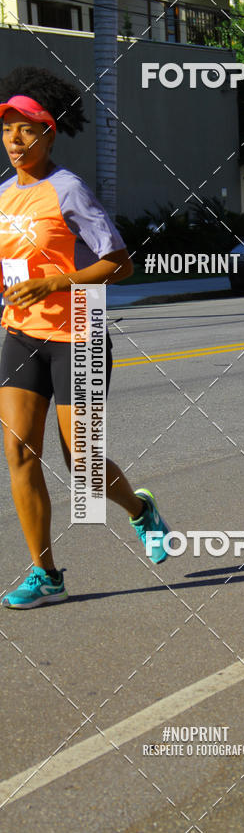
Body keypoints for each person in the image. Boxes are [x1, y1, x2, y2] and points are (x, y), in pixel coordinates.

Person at [0, 66, 170, 609]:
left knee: (83, 465)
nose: (15, 140)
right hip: (21, 336)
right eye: (7, 129)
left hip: (77, 335)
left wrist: (58, 279)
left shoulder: (67, 189)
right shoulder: (3, 194)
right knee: (19, 453)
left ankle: (141, 510)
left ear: (50, 133)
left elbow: (119, 263)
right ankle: (46, 573)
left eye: (26, 129)